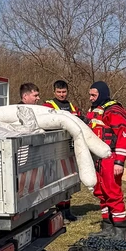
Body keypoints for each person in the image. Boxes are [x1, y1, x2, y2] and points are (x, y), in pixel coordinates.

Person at [87, 81, 126, 241]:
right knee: (101, 192)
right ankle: (107, 226)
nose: (91, 98)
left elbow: (123, 135)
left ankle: (120, 230)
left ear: (102, 94)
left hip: (110, 158)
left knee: (113, 192)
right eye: (90, 95)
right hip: (98, 159)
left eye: (94, 95)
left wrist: (119, 162)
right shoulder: (95, 111)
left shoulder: (114, 110)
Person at [43, 80, 83, 222]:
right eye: (59, 92)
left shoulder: (72, 106)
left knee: (69, 182)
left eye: (64, 92)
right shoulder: (48, 106)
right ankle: (59, 212)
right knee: (58, 182)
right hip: (55, 149)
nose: (61, 95)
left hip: (70, 149)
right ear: (54, 92)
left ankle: (67, 210)